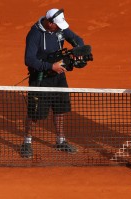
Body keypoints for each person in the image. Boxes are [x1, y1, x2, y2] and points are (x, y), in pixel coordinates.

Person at [20, 8, 85, 158]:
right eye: (57, 25)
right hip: (41, 78)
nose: (60, 27)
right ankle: (27, 142)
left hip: (59, 76)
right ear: (49, 23)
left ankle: (60, 141)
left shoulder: (60, 29)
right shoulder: (35, 34)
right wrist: (50, 67)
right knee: (35, 113)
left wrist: (78, 52)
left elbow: (77, 39)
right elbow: (29, 60)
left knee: (60, 109)